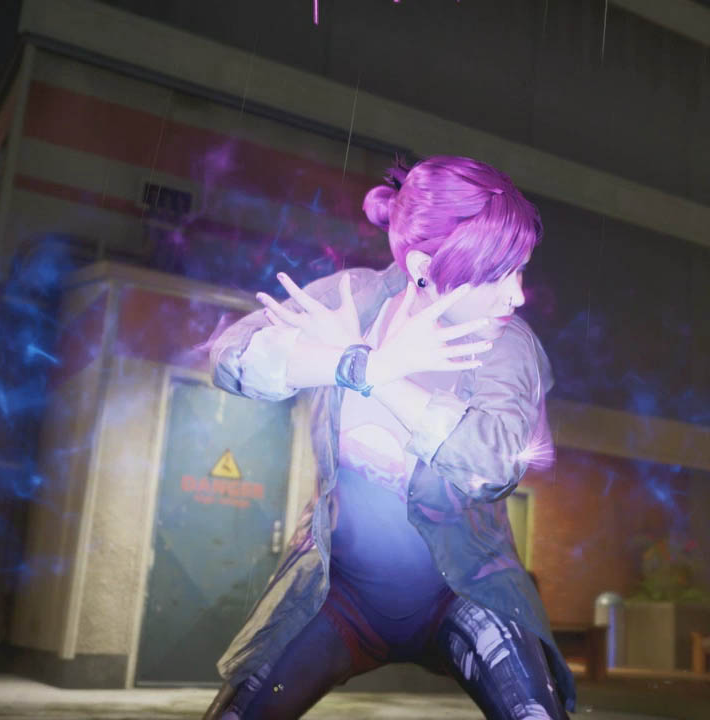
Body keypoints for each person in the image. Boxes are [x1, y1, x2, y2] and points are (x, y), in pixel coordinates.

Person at [202, 156, 574, 719]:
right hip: (339, 592)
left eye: (520, 270)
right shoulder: (354, 299)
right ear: (424, 266)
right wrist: (357, 362)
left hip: (466, 588)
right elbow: (230, 359)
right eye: (498, 274)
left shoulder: (507, 344)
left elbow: (493, 468)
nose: (517, 295)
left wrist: (381, 378)